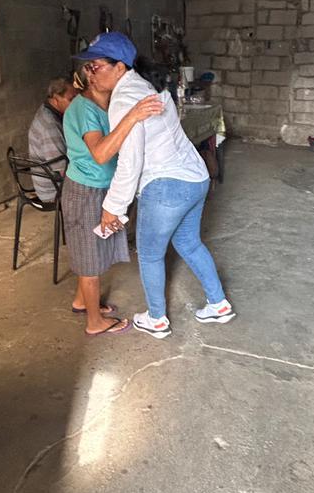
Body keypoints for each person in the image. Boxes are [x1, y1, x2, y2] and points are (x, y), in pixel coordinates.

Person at [82, 32, 234, 340]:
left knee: (150, 254)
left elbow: (130, 161)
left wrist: (113, 207)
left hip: (166, 187)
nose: (90, 74)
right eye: (87, 67)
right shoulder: (145, 86)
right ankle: (218, 304)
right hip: (194, 178)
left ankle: (156, 319)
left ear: (119, 67)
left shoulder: (124, 99)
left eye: (95, 66)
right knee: (189, 243)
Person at [61, 72, 162, 337]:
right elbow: (101, 153)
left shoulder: (106, 104)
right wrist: (133, 116)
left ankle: (82, 301)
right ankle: (94, 322)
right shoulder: (84, 109)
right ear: (91, 77)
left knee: (91, 249)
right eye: (101, 69)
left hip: (100, 187)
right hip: (85, 190)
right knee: (89, 259)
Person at [26, 78, 76, 208]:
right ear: (55, 99)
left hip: (51, 180)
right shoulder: (50, 126)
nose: (76, 104)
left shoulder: (48, 110)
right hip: (53, 190)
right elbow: (62, 170)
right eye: (71, 99)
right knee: (97, 187)